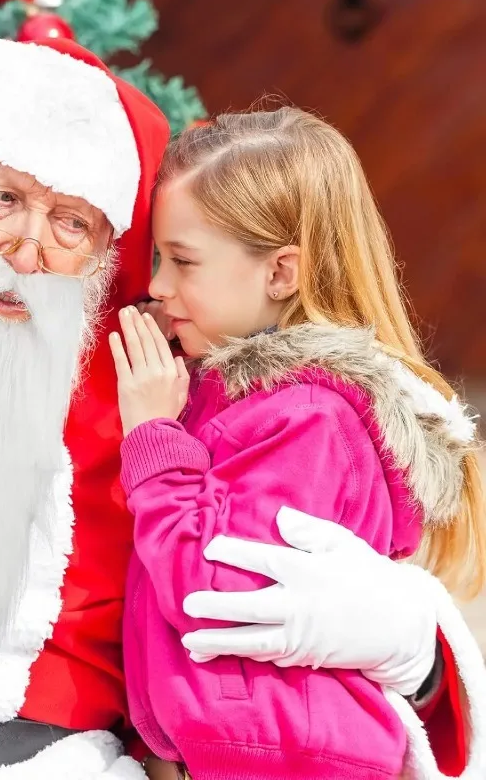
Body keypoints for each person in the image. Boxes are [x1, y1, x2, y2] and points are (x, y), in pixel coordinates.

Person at [0, 37, 479, 779]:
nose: (28, 251)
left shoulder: (157, 385)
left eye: (71, 223)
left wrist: (419, 651)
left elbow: (297, 595)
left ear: (109, 247)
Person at [111, 108, 486, 779]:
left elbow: (216, 593)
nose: (159, 286)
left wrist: (152, 438)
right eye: (158, 259)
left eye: (184, 261)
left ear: (281, 273)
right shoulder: (235, 400)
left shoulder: (307, 417)